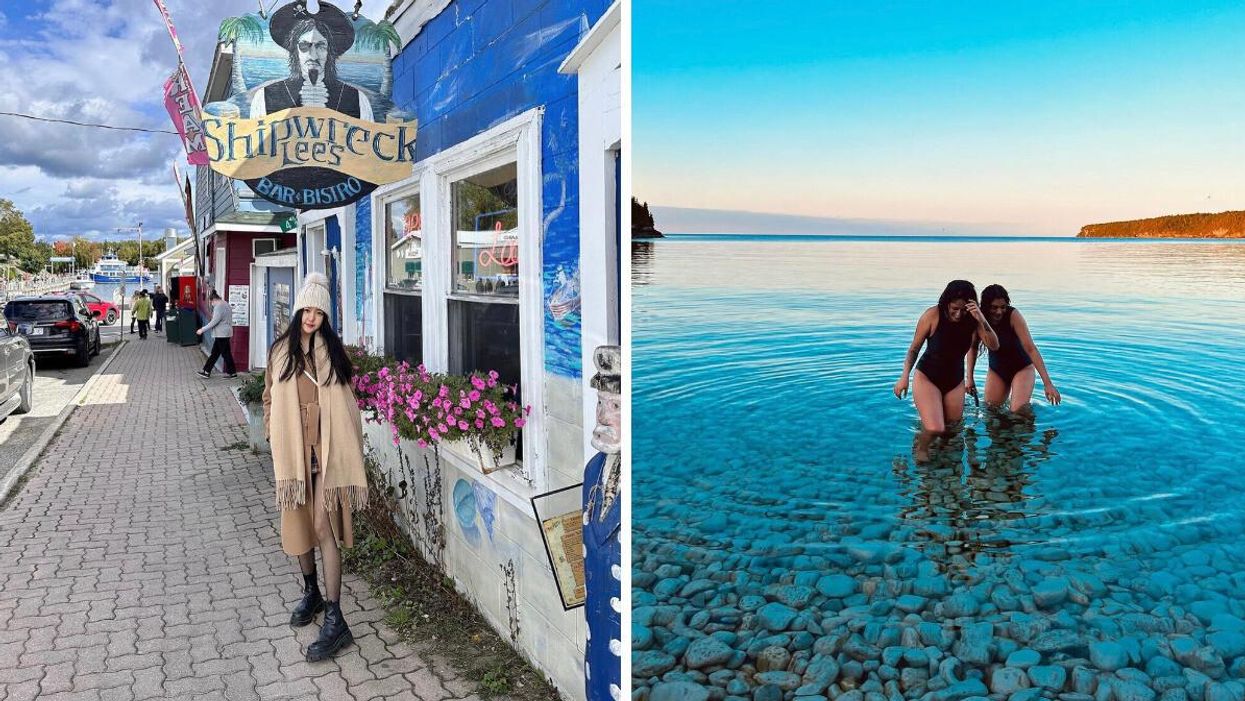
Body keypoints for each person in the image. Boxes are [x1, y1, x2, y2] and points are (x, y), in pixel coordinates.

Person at [261, 272, 367, 662]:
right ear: (298, 311)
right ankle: (312, 592)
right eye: (306, 309)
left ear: (325, 316)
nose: (311, 317)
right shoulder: (279, 352)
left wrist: (342, 440)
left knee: (323, 526)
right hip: (293, 453)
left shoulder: (334, 354)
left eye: (318, 312)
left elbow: (348, 404)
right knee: (299, 525)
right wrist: (275, 433)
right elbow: (269, 396)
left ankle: (337, 619)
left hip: (326, 453)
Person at [894, 280, 1000, 462]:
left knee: (952, 428)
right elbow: (914, 349)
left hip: (954, 381)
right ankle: (921, 446)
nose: (959, 314)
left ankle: (942, 459)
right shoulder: (932, 315)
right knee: (935, 427)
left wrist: (981, 318)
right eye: (954, 309)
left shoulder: (974, 321)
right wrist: (904, 377)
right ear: (946, 304)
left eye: (963, 309)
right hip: (927, 377)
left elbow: (994, 345)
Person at [249, 2, 373, 120]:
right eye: (304, 46)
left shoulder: (358, 100)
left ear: (329, 52)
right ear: (295, 52)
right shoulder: (265, 98)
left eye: (320, 46)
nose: (313, 56)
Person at [583, 346, 621, 701]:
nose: (603, 416)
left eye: (616, 407)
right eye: (600, 404)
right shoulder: (593, 470)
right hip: (599, 650)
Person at [966, 284, 1061, 413]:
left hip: (1022, 368)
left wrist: (1047, 384)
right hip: (997, 370)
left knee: (1018, 412)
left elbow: (1030, 348)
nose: (999, 311)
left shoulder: (1013, 315)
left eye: (1003, 307)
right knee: (990, 410)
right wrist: (969, 378)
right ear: (986, 306)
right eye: (994, 307)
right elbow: (973, 348)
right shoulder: (978, 318)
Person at [196, 291, 237, 378]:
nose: (211, 304)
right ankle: (206, 371)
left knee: (225, 353)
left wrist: (202, 329)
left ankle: (232, 373)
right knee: (216, 353)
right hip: (225, 332)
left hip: (221, 334)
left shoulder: (219, 307)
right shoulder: (226, 304)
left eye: (211, 302)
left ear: (214, 300)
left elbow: (214, 321)